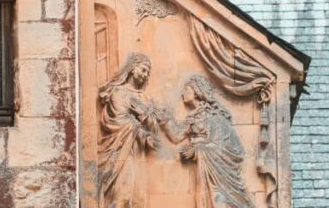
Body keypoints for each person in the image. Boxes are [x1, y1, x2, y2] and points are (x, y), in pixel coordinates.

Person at [158, 75, 254, 208]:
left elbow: (225, 146)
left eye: (186, 89)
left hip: (218, 175)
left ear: (197, 92)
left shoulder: (213, 115)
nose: (182, 93)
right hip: (203, 170)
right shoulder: (194, 116)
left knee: (218, 201)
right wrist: (165, 118)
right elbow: (177, 136)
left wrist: (196, 150)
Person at [98, 53, 160, 207]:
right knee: (123, 193)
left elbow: (153, 126)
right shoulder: (118, 92)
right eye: (143, 70)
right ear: (132, 68)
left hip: (137, 150)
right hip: (120, 149)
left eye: (148, 73)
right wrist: (142, 129)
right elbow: (118, 120)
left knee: (137, 196)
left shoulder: (144, 97)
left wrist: (146, 120)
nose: (145, 75)